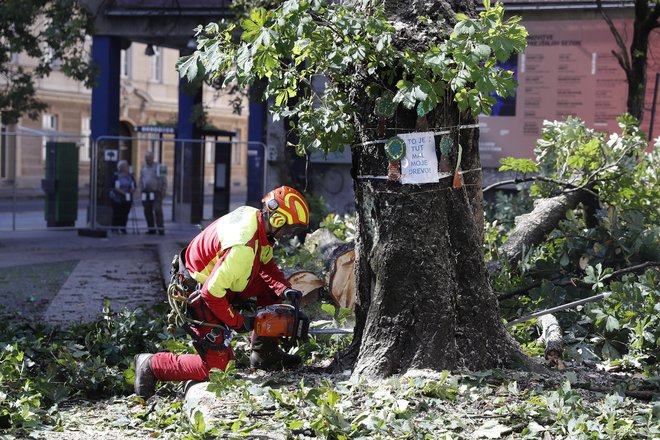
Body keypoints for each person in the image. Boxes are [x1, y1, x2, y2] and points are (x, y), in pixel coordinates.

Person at [134, 185, 309, 399]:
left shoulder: (256, 220)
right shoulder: (243, 247)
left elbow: (265, 264)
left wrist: (284, 290)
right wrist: (238, 321)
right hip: (198, 290)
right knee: (218, 369)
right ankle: (152, 365)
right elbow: (211, 293)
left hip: (219, 281)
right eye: (288, 229)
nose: (287, 234)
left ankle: (266, 354)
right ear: (277, 220)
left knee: (271, 291)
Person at [140, 151, 167, 235]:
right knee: (147, 210)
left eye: (148, 159)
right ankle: (151, 229)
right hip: (146, 192)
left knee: (157, 210)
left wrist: (164, 189)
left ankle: (161, 229)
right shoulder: (143, 167)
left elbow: (164, 179)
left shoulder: (160, 167)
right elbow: (141, 178)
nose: (147, 160)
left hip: (157, 192)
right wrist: (141, 188)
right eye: (146, 159)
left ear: (152, 158)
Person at [109, 160, 136, 234]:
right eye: (127, 166)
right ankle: (115, 228)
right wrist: (123, 192)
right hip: (117, 198)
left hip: (127, 198)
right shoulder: (116, 175)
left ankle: (123, 228)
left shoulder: (130, 176)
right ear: (122, 167)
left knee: (125, 213)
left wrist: (132, 190)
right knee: (117, 213)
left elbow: (133, 185)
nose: (128, 167)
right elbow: (113, 186)